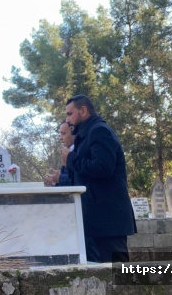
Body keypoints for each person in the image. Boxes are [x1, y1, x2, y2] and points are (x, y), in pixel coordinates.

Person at [63, 94, 136, 263]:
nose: (67, 120)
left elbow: (103, 168)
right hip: (96, 221)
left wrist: (71, 159)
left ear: (83, 110)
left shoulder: (99, 131)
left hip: (108, 221)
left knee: (118, 276)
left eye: (70, 114)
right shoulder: (87, 134)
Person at [44, 122, 75, 186]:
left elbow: (79, 181)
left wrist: (60, 178)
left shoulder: (79, 153)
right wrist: (55, 183)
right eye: (60, 134)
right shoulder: (66, 152)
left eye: (63, 134)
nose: (60, 138)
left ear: (74, 134)